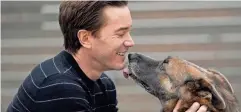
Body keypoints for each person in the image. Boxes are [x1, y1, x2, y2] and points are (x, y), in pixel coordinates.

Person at [7, 1, 207, 112]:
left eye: (129, 31)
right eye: (120, 33)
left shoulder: (103, 84)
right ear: (85, 38)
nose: (130, 42)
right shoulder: (59, 87)